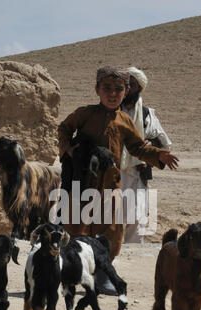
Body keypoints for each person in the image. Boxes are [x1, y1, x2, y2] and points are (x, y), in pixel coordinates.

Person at [57, 66, 178, 291]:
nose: (113, 94)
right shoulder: (84, 114)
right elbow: (63, 128)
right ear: (97, 90)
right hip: (82, 180)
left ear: (125, 91)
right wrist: (69, 150)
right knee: (76, 226)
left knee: (112, 229)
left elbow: (138, 147)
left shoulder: (124, 120)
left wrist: (157, 154)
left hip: (110, 182)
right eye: (107, 88)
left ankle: (103, 273)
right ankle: (70, 270)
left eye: (118, 89)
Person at [121, 67, 172, 243]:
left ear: (139, 88)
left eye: (132, 85)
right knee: (109, 220)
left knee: (136, 220)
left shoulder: (147, 114)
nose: (127, 89)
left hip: (137, 174)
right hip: (113, 174)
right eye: (125, 84)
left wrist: (150, 147)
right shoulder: (111, 111)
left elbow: (165, 143)